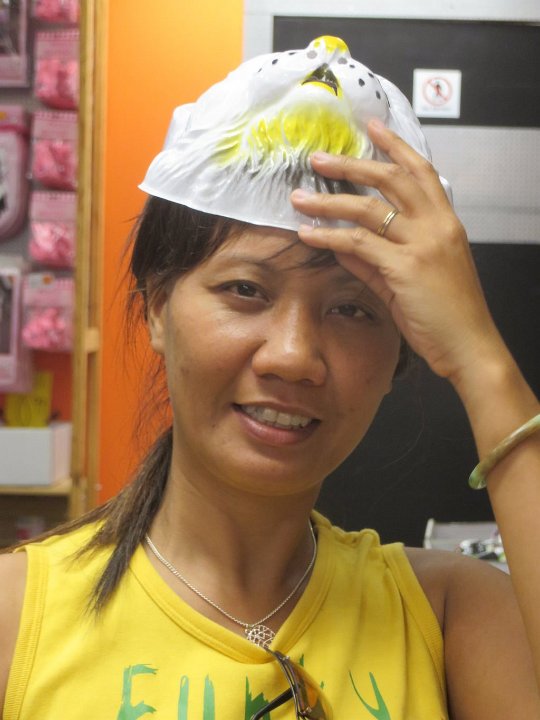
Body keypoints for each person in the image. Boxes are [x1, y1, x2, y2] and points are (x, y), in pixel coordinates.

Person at [1, 36, 540, 719]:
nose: (292, 355)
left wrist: (481, 359)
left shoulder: (448, 618)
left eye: (352, 309)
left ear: (399, 353)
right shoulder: (16, 620)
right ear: (158, 307)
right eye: (246, 290)